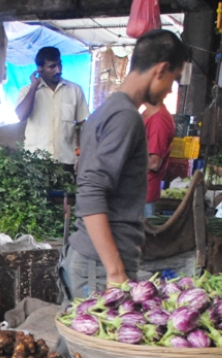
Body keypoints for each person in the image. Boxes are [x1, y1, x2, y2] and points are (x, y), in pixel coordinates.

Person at [64, 29, 188, 300]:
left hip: (94, 262)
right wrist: (115, 270)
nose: (169, 90)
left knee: (75, 343)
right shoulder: (126, 117)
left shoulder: (106, 111)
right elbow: (91, 191)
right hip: (100, 266)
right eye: (173, 80)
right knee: (92, 343)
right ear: (161, 70)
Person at [16, 46, 89, 173]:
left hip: (66, 161)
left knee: (65, 193)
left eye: (60, 65)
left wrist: (82, 155)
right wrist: (34, 87)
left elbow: (82, 125)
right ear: (40, 69)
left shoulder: (75, 90)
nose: (58, 70)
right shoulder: (27, 91)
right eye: (52, 66)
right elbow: (21, 115)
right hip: (36, 162)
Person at [143, 99, 175, 217]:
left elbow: (154, 163)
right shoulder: (146, 115)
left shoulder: (158, 120)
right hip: (135, 192)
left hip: (143, 194)